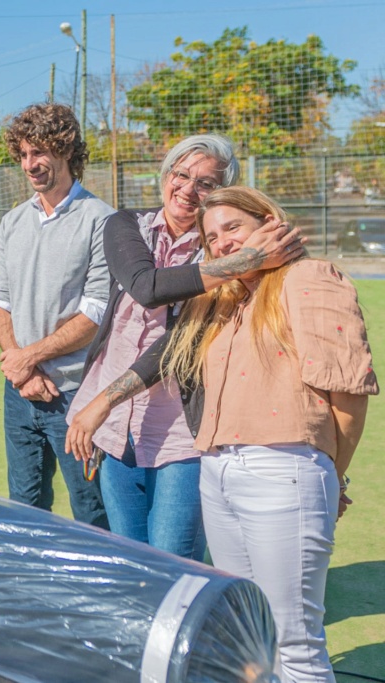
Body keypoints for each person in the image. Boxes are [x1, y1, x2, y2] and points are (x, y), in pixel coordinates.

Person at [159, 186, 376, 683]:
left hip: (285, 471)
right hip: (216, 471)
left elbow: (348, 395)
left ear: (268, 221)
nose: (223, 243)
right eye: (212, 238)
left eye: (233, 227)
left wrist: (328, 474)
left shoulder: (308, 278)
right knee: (252, 639)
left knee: (295, 645)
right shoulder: (225, 298)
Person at [64, 135, 305, 559]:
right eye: (181, 174)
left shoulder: (219, 243)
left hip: (182, 428)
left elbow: (181, 342)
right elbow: (146, 287)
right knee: (130, 554)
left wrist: (240, 258)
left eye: (206, 184)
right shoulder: (127, 224)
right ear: (166, 175)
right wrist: (246, 260)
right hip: (118, 424)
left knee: (173, 558)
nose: (188, 189)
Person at [0, 103, 110, 527]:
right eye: (22, 154)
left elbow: (96, 310)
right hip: (19, 392)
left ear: (66, 148)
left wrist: (29, 357)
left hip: (76, 394)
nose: (30, 164)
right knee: (25, 505)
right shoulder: (13, 221)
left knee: (91, 508)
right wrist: (21, 368)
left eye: (39, 152)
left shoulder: (101, 221)